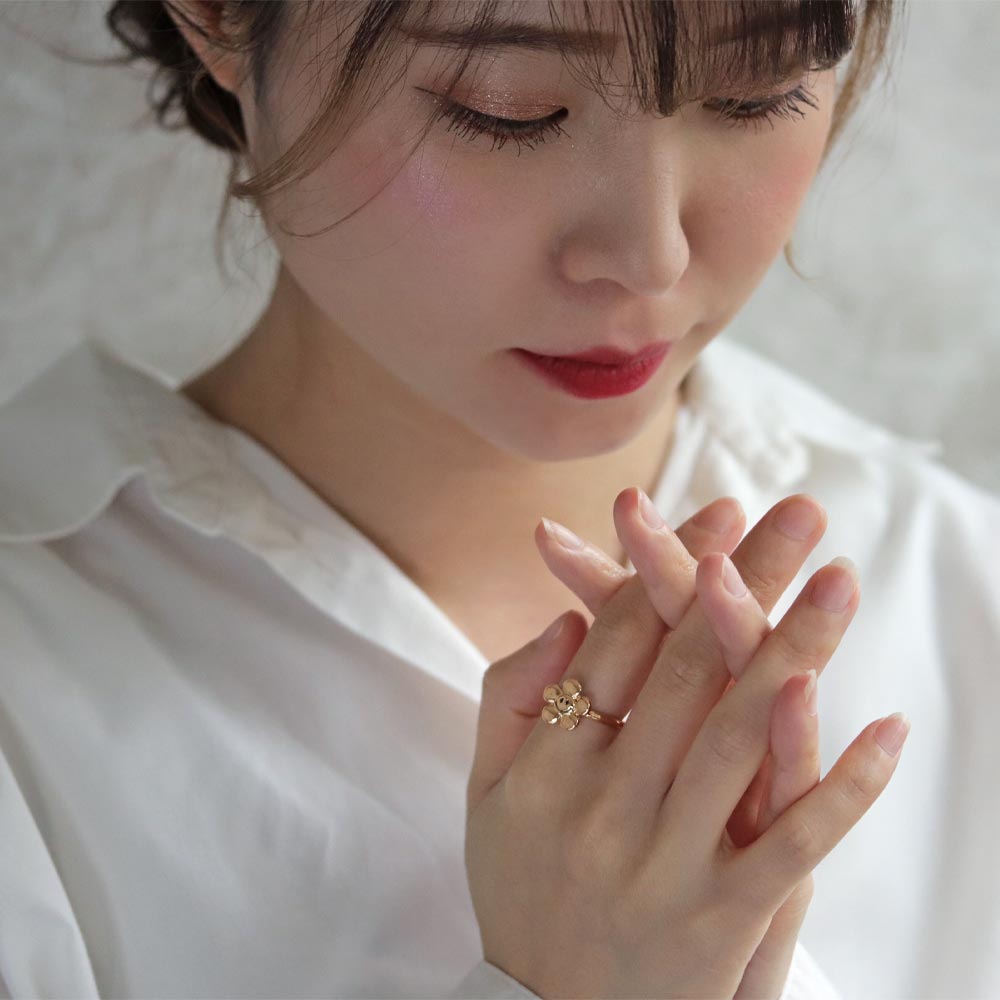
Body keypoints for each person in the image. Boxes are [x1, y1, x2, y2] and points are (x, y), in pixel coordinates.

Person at [1, 0, 998, 996]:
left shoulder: (955, 585)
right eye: (508, 110)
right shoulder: (36, 701)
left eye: (755, 93)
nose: (649, 256)